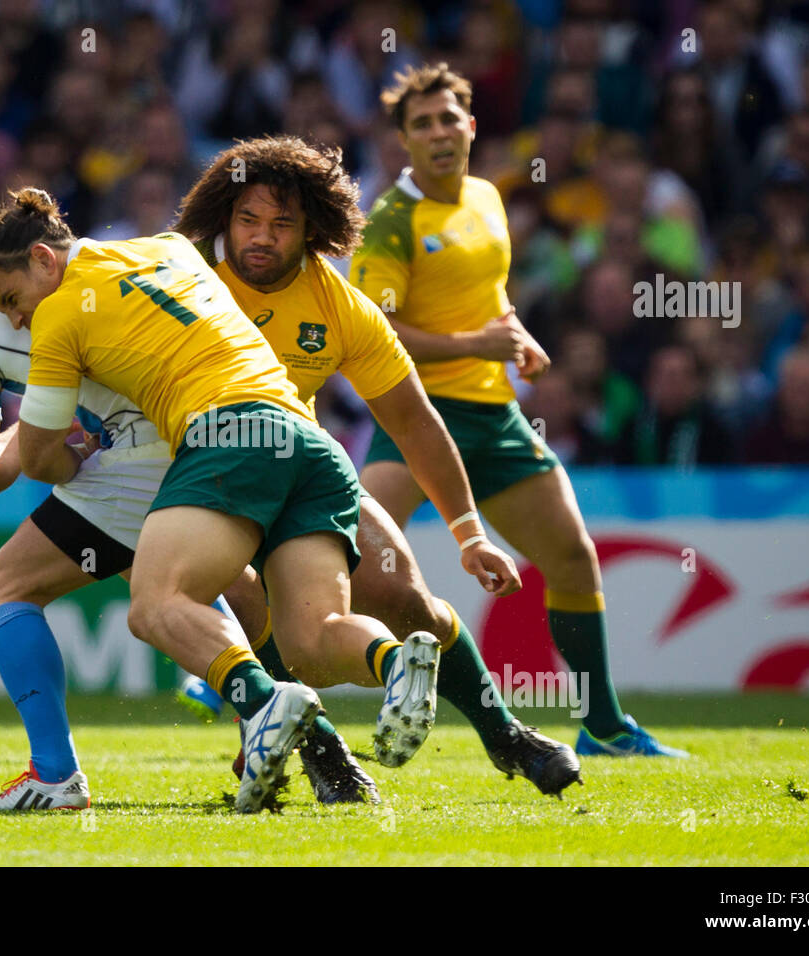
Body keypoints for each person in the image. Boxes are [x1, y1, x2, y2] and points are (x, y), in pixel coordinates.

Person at [0, 188, 456, 812]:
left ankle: (261, 699)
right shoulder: (169, 247)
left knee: (155, 604)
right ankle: (392, 661)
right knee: (312, 640)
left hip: (226, 437)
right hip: (309, 440)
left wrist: (76, 456)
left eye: (12, 300)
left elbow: (35, 458)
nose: (14, 318)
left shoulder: (59, 317)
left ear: (43, 258)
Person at [0, 235, 376, 810]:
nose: (11, 313)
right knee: (216, 589)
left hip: (149, 452)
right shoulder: (103, 258)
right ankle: (327, 763)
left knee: (6, 588)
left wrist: (45, 441)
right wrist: (63, 426)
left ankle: (54, 774)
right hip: (219, 420)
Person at [172, 134, 580, 795]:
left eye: (282, 224)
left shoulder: (338, 306)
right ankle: (324, 756)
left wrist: (470, 534)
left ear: (312, 231)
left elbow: (415, 423)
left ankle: (507, 736)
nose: (261, 237)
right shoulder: (184, 285)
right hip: (196, 481)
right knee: (249, 596)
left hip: (300, 471)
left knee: (406, 598)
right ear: (224, 217)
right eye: (248, 219)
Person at [351, 63, 686, 758]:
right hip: (421, 416)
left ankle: (602, 725)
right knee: (345, 559)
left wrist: (515, 334)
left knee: (571, 555)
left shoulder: (486, 198)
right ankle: (241, 660)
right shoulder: (389, 222)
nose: (439, 132)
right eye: (422, 123)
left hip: (496, 415)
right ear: (404, 141)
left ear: (470, 127)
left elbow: (490, 294)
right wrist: (478, 341)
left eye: (449, 118)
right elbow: (372, 332)